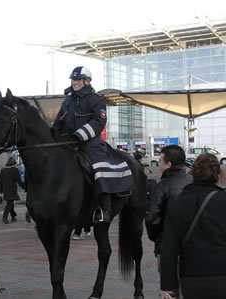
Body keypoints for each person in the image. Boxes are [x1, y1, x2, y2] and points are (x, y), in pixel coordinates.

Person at [53, 66, 134, 223]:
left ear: (86, 81)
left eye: (78, 79)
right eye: (73, 79)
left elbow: (99, 121)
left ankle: (104, 209)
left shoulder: (96, 99)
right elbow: (58, 123)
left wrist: (78, 136)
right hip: (67, 142)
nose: (75, 82)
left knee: (98, 168)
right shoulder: (67, 100)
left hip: (89, 142)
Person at [160, 153, 226, 299]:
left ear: (192, 175)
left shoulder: (178, 204)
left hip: (192, 277)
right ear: (218, 176)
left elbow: (169, 249)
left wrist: (167, 285)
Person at [145, 145, 192, 298]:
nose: (158, 164)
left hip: (167, 247)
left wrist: (156, 238)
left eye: (160, 160)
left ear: (168, 164)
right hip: (195, 246)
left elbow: (152, 218)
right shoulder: (195, 181)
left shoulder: (163, 185)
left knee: (170, 290)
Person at [0, 156, 25, 224]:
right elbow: (18, 180)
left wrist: (0, 191)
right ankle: (4, 217)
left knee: (10, 203)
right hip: (12, 189)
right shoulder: (14, 170)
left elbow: (1, 181)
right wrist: (24, 187)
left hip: (6, 189)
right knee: (9, 204)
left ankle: (13, 215)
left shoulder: (3, 170)